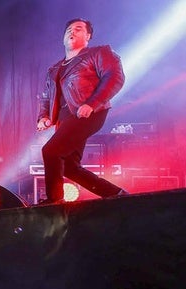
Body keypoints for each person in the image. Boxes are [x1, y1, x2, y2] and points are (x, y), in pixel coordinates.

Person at [36, 18, 127, 204]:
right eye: (69, 29)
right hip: (64, 120)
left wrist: (92, 104)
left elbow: (114, 77)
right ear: (63, 38)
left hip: (89, 112)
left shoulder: (99, 53)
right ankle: (116, 195)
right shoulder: (53, 69)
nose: (72, 32)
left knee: (51, 151)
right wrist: (43, 117)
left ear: (88, 36)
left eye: (78, 29)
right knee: (69, 166)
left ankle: (54, 202)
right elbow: (45, 96)